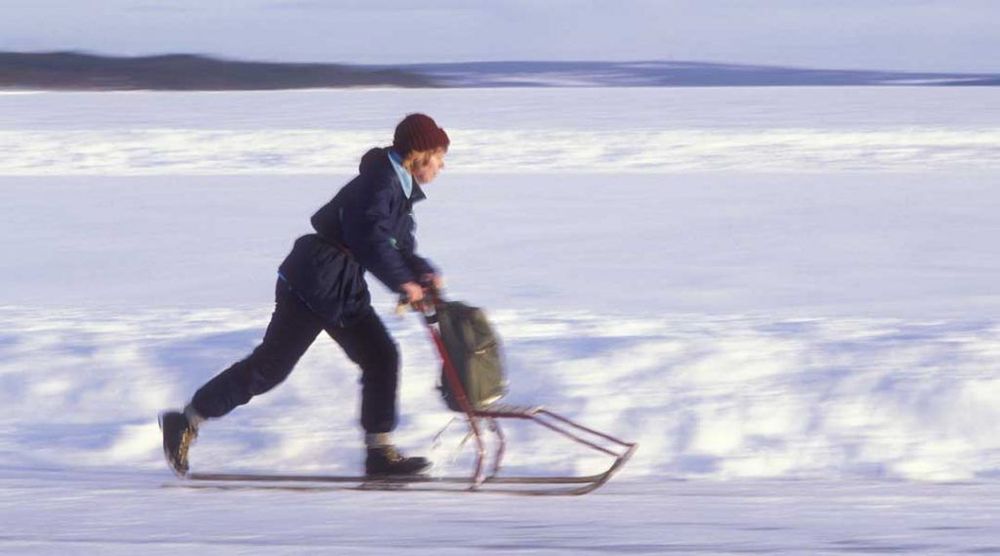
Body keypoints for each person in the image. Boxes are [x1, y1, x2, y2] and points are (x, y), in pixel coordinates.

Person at [160, 113, 450, 477]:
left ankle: (379, 452)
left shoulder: (397, 187)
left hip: (339, 283)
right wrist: (403, 284)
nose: (442, 166)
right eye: (439, 156)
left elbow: (399, 244)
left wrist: (422, 272)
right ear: (419, 153)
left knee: (381, 357)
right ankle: (186, 421)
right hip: (314, 279)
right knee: (270, 367)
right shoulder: (380, 183)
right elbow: (371, 240)